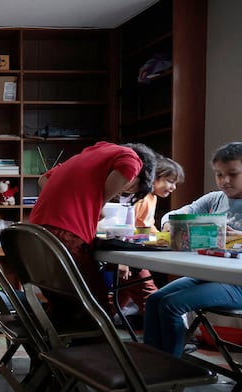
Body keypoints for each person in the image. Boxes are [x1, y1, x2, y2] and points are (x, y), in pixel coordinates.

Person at [28, 141, 156, 317]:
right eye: (131, 187)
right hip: (65, 234)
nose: (123, 192)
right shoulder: (130, 157)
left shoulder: (91, 153)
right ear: (139, 174)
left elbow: (44, 179)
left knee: (63, 302)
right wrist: (99, 202)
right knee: (95, 307)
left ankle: (60, 342)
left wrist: (86, 201)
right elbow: (129, 167)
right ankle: (96, 343)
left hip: (36, 234)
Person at [144, 142, 242, 357]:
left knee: (171, 305)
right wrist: (170, 224)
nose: (224, 181)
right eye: (219, 174)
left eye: (232, 174)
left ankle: (170, 371)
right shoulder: (216, 198)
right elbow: (174, 215)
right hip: (209, 275)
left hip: (238, 283)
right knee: (153, 301)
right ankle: (151, 365)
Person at [112, 156, 184, 319]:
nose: (173, 187)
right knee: (150, 297)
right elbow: (124, 230)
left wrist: (162, 239)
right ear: (153, 177)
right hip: (130, 257)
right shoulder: (141, 198)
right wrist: (121, 261)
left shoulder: (152, 198)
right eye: (169, 181)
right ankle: (167, 338)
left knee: (116, 299)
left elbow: (146, 227)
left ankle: (92, 326)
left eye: (175, 183)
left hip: (136, 255)